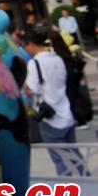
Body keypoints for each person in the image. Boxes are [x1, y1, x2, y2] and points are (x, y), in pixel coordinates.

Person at [21, 29, 82, 176]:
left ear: (31, 44)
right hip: (66, 112)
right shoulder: (57, 58)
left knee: (59, 159)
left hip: (50, 118)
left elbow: (32, 89)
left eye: (25, 46)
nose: (25, 50)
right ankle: (86, 180)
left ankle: (68, 190)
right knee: (74, 154)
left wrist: (24, 87)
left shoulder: (34, 63)